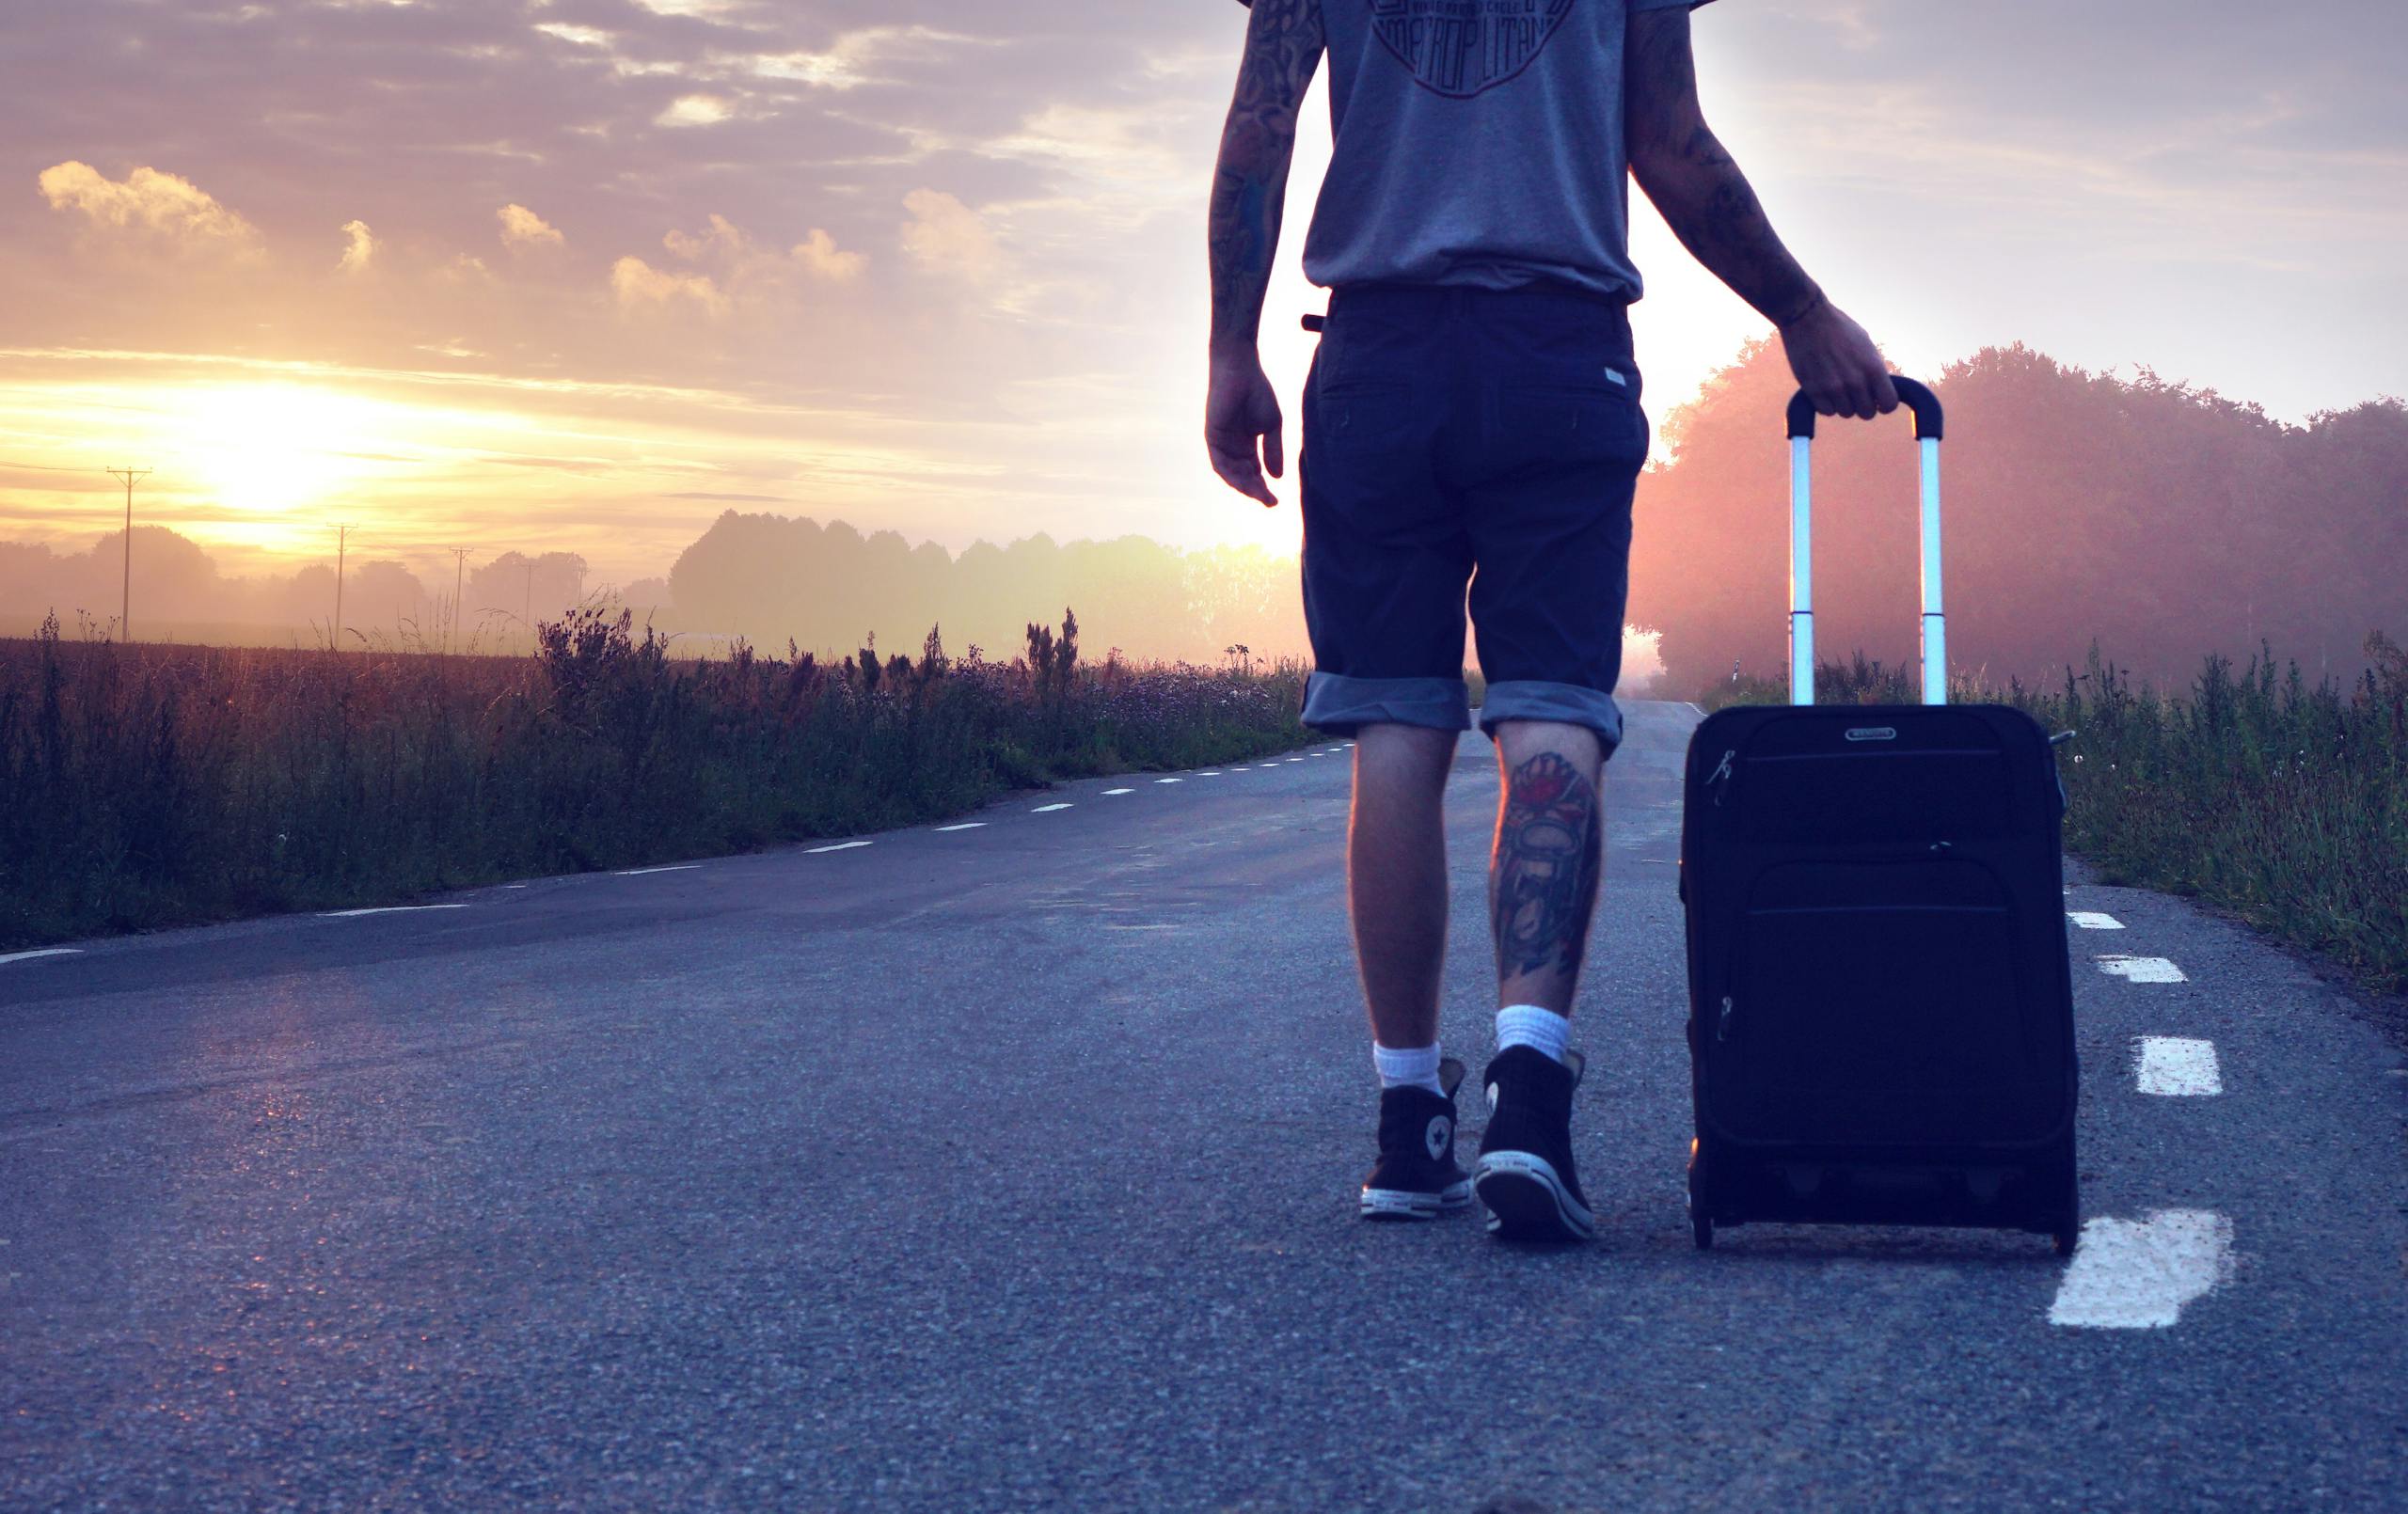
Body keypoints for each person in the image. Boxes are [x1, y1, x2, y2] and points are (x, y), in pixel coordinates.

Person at [1204, 0, 1898, 1241]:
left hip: (1377, 356)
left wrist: (1229, 350)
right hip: (1558, 355)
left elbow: (1261, 131)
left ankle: (1410, 1126)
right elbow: (1673, 145)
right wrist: (1801, 310)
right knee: (1552, 715)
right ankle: (1529, 1098)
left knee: (1395, 729)